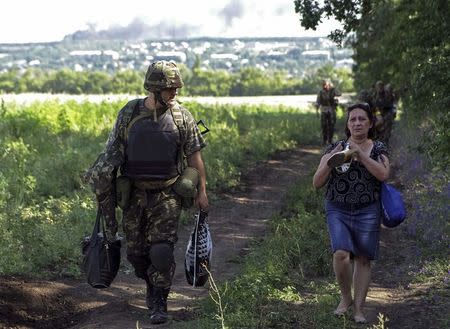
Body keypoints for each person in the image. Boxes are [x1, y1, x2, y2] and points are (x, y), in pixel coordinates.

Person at [84, 60, 208, 325]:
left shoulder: (181, 116)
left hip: (168, 194)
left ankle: (159, 301)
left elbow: (195, 158)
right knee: (137, 255)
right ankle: (152, 285)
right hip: (135, 195)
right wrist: (102, 182)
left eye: (176, 87)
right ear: (154, 89)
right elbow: (112, 153)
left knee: (161, 252)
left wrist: (202, 193)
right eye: (170, 88)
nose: (175, 93)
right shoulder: (129, 113)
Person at [312, 103, 390, 324]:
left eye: (362, 119)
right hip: (338, 208)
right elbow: (317, 182)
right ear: (347, 124)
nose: (357, 123)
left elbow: (383, 174)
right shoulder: (336, 147)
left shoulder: (379, 148)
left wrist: (360, 155)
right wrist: (330, 161)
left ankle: (359, 309)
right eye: (353, 119)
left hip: (368, 209)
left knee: (364, 259)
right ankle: (345, 298)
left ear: (370, 123)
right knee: (341, 254)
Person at [316, 80, 342, 145]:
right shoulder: (321, 92)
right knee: (323, 125)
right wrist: (317, 111)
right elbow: (318, 101)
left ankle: (330, 140)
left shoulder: (332, 90)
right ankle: (324, 140)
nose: (324, 86)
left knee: (331, 126)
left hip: (331, 110)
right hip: (324, 110)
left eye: (326, 85)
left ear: (329, 85)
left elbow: (339, 94)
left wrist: (334, 88)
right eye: (323, 85)